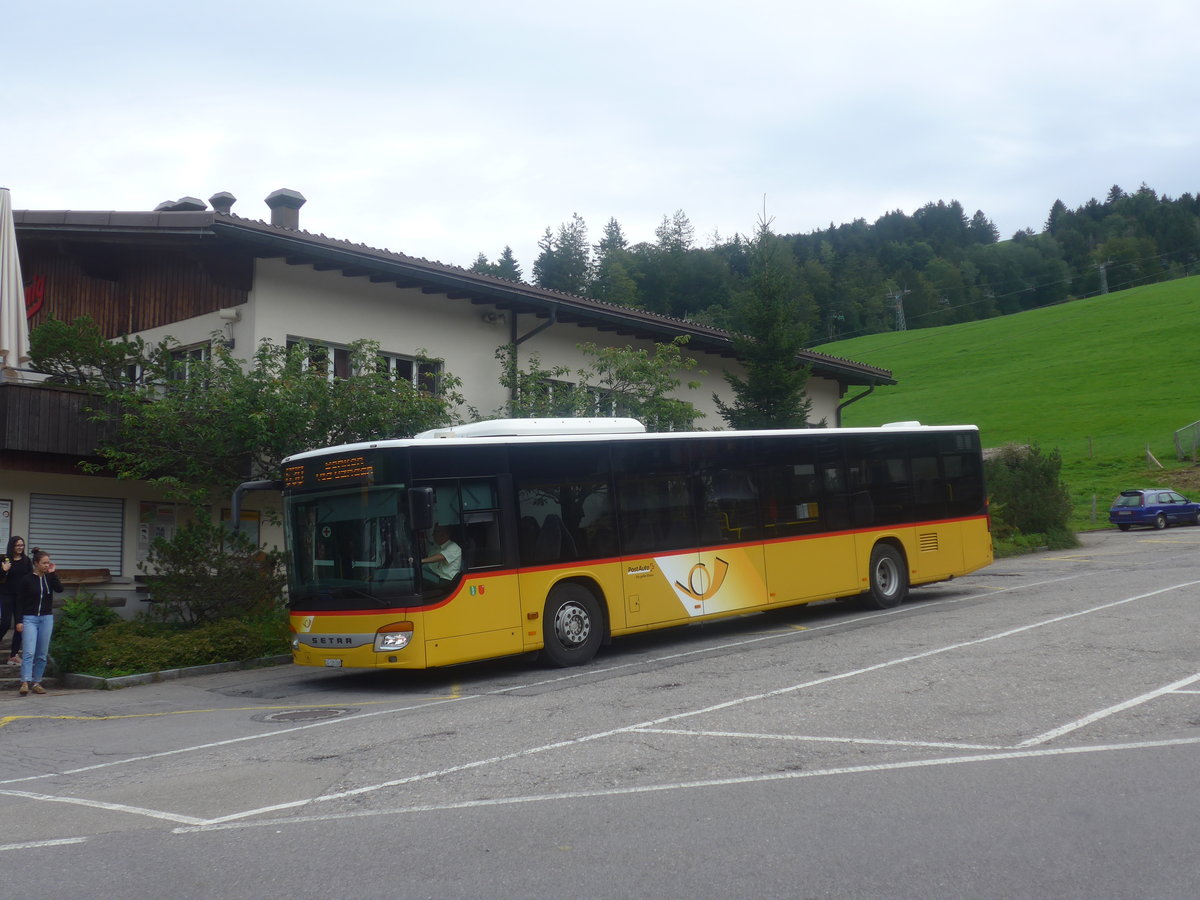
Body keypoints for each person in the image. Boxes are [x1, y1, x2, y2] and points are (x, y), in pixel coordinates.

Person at [14, 548, 63, 695]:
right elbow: (19, 602)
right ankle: (25, 682)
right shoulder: (27, 579)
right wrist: (19, 621)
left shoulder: (50, 577)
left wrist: (53, 573)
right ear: (36, 563)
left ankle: (37, 682)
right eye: (44, 563)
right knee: (29, 651)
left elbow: (60, 589)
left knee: (42, 653)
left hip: (46, 618)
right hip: (29, 618)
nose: (47, 565)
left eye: (49, 563)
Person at [1, 535, 31, 666]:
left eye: (22, 545)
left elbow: (30, 578)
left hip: (21, 597)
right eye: (18, 545)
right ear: (12, 546)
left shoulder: (26, 561)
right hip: (6, 595)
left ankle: (13, 655)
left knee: (20, 626)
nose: (20, 548)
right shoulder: (4, 559)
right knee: (6, 623)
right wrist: (3, 570)